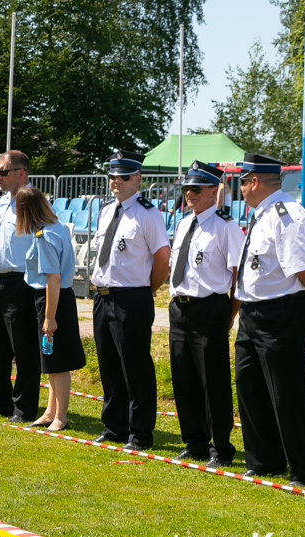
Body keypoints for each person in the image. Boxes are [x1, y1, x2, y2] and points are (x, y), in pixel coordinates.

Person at [233, 152, 305, 487]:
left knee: (286, 393)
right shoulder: (262, 214)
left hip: (281, 312)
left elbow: (304, 270)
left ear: (254, 181)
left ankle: (302, 469)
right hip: (253, 313)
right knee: (250, 387)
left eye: (242, 181)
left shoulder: (287, 215)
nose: (240, 188)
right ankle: (264, 461)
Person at [91, 151, 170, 451]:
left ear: (138, 178)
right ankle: (114, 427)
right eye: (112, 176)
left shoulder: (148, 214)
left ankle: (139, 433)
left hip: (132, 297)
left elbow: (163, 258)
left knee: (135, 368)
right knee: (108, 365)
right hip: (104, 297)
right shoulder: (106, 210)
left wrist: (146, 289)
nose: (117, 182)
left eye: (124, 176)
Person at [167, 161, 244, 468]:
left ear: (214, 191)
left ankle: (220, 446)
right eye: (186, 189)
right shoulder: (185, 223)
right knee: (183, 378)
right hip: (180, 308)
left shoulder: (226, 228)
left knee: (213, 381)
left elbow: (238, 277)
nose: (189, 194)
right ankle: (194, 441)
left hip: (209, 307)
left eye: (196, 189)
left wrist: (230, 315)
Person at [15, 186, 85, 431]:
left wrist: (49, 317)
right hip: (56, 298)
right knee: (50, 361)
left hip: (52, 299)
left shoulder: (44, 236)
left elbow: (52, 279)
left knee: (57, 363)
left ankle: (61, 417)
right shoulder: (58, 228)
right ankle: (50, 411)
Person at [0, 151, 41, 424]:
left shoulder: (32, 203)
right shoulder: (2, 202)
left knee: (23, 349)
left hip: (21, 281)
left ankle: (24, 407)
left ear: (21, 173)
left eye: (3, 172)